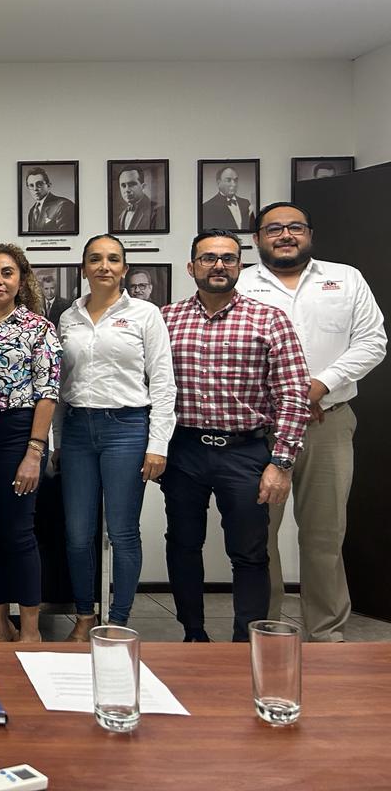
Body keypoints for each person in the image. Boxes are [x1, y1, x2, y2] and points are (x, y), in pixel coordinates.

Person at [241, 203, 386, 642]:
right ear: (257, 239)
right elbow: (234, 354)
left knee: (324, 535)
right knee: (258, 536)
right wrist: (285, 399)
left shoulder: (346, 278)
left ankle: (326, 634)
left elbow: (372, 341)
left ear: (309, 233)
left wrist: (318, 386)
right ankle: (265, 629)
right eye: (274, 229)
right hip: (262, 428)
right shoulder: (241, 283)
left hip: (329, 424)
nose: (285, 235)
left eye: (295, 227)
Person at [160, 229, 310, 642]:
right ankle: (193, 634)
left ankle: (245, 643)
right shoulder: (166, 319)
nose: (219, 265)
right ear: (191, 267)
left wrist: (281, 463)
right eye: (208, 258)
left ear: (240, 266)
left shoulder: (270, 319)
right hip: (184, 449)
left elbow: (293, 395)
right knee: (182, 544)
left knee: (249, 552)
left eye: (228, 258)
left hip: (245, 452)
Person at [53, 234, 176, 640]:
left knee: (122, 532)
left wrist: (158, 444)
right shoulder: (68, 317)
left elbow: (163, 383)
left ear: (124, 268)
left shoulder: (145, 314)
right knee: (77, 533)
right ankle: (84, 615)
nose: (104, 266)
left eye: (113, 259)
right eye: (95, 259)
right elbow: (60, 385)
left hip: (127, 429)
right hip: (77, 431)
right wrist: (56, 442)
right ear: (83, 268)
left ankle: (119, 620)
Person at [0, 243, 62, 642]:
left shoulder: (38, 328)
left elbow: (47, 393)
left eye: (7, 272)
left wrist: (34, 452)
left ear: (21, 280)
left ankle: (31, 631)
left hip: (19, 435)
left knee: (18, 533)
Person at [113, 167, 165, 233]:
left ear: (143, 187)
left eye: (131, 184)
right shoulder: (122, 215)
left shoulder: (158, 211)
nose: (127, 190)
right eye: (123, 185)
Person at [200, 166, 252, 231]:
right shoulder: (207, 207)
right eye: (228, 180)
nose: (234, 184)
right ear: (218, 183)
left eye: (235, 180)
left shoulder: (246, 203)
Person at [24, 167, 74, 234]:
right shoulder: (32, 210)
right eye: (31, 185)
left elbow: (67, 236)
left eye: (39, 184)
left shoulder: (64, 205)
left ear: (49, 185)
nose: (35, 188)